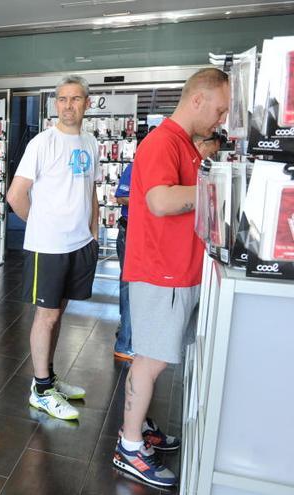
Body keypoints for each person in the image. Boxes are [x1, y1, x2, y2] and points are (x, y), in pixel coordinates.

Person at [113, 68, 230, 488]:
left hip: (178, 270)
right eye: (218, 110)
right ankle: (129, 447)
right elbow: (161, 200)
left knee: (154, 359)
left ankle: (139, 425)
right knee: (150, 360)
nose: (220, 119)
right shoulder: (163, 141)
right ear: (197, 100)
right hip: (160, 272)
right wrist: (219, 188)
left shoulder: (186, 143)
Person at [7, 75, 100, 421]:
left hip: (79, 245)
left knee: (58, 313)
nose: (68, 105)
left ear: (86, 104)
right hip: (48, 246)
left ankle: (48, 376)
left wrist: (93, 232)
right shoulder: (41, 144)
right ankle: (41, 389)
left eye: (75, 99)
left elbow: (91, 190)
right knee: (45, 316)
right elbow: (15, 196)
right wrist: (42, 226)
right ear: (55, 104)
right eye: (62, 99)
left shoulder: (90, 143)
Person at [113, 163, 134, 361]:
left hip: (147, 234)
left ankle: (125, 332)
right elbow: (120, 196)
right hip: (131, 232)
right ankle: (125, 343)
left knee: (129, 284)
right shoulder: (135, 167)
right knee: (130, 284)